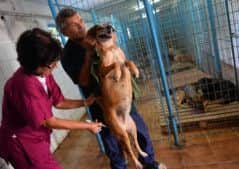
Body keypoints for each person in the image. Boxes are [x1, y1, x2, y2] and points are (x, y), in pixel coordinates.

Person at [56, 8, 167, 169]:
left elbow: (116, 52)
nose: (81, 25)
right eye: (74, 25)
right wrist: (88, 53)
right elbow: (83, 81)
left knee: (140, 130)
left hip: (121, 96)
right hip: (99, 101)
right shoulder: (67, 55)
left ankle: (148, 163)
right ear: (65, 32)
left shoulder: (97, 34)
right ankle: (119, 166)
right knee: (111, 141)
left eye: (80, 20)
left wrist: (111, 39)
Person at [0, 28, 103, 169]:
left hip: (37, 138)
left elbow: (59, 101)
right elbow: (49, 121)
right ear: (35, 64)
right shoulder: (24, 84)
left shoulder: (44, 73)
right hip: (22, 142)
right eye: (52, 63)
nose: (55, 66)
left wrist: (85, 102)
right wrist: (88, 126)